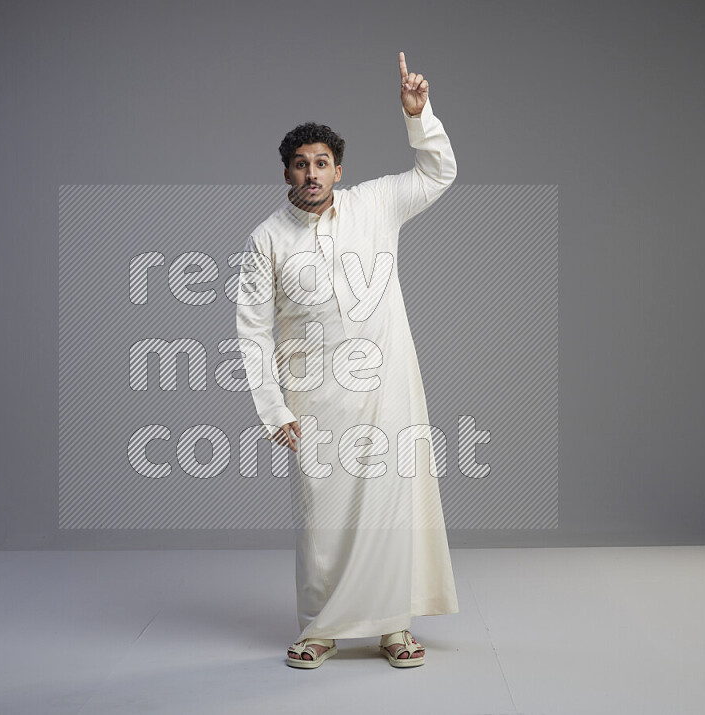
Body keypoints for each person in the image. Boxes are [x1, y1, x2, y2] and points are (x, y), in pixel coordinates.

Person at [235, 51, 459, 668]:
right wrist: (273, 407)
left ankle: (393, 628)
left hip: (388, 388)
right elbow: (252, 331)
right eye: (301, 165)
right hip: (314, 397)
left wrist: (420, 117)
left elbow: (438, 173)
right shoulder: (266, 240)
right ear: (286, 173)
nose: (313, 174)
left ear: (339, 170)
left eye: (323, 164)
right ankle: (320, 629)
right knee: (322, 517)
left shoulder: (375, 204)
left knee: (391, 505)